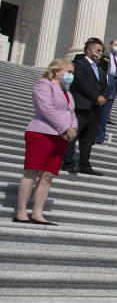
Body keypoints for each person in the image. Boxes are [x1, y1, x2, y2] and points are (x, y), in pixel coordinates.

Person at [14, 58, 78, 225]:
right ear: (57, 71)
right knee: (32, 172)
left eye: (72, 73)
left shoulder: (68, 92)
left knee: (48, 176)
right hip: (41, 133)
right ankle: (21, 212)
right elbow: (46, 109)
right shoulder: (44, 84)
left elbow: (71, 114)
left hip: (60, 137)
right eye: (68, 71)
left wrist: (73, 129)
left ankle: (37, 213)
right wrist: (65, 128)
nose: (71, 75)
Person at [62, 37, 108, 175]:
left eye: (101, 51)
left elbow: (106, 87)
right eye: (98, 50)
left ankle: (84, 164)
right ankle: (68, 162)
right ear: (89, 50)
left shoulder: (100, 69)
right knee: (73, 136)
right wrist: (96, 97)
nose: (100, 53)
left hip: (95, 109)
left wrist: (104, 98)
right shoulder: (79, 63)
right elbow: (81, 82)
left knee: (88, 139)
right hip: (81, 105)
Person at [96, 38, 117, 144]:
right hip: (105, 79)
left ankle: (100, 137)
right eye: (115, 44)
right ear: (110, 45)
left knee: (107, 109)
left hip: (115, 81)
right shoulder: (105, 56)